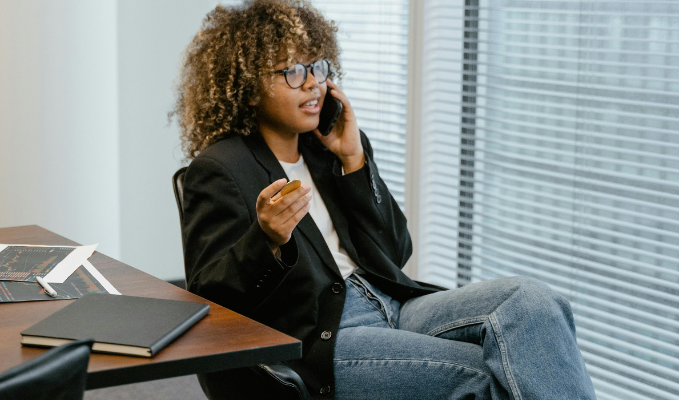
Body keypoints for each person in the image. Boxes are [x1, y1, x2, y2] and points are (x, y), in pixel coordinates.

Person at [172, 1, 597, 399]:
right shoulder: (221, 168)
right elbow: (209, 297)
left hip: (392, 303)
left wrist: (355, 161)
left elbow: (396, 249)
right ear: (248, 89)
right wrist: (265, 238)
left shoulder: (329, 150)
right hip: (325, 333)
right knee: (487, 375)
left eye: (317, 67)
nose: (314, 84)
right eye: (292, 72)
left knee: (536, 302)